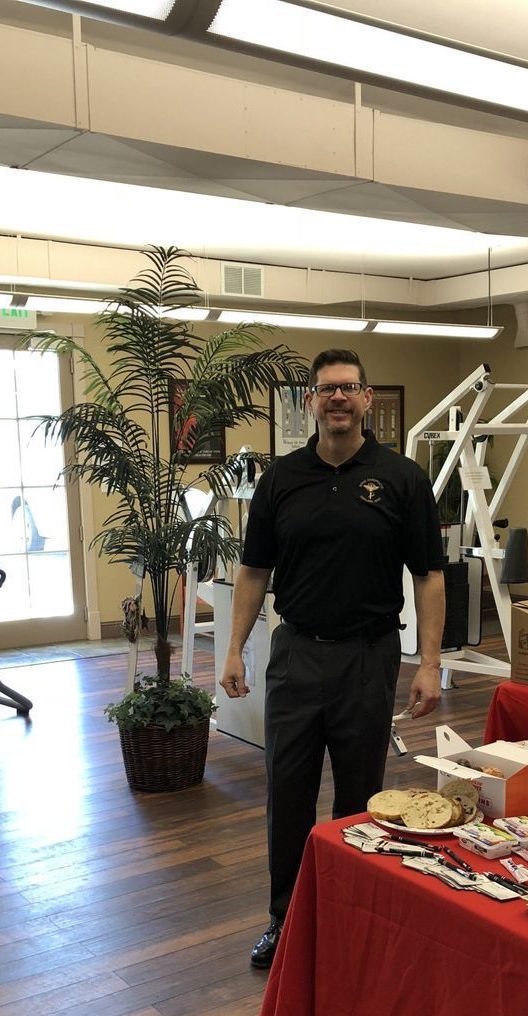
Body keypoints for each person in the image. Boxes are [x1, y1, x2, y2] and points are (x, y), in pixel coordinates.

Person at [219, 349, 446, 969]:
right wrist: (235, 648)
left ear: (368, 399)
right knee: (287, 793)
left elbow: (427, 575)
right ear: (310, 403)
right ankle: (284, 918)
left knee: (360, 795)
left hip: (369, 656)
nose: (337, 398)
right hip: (294, 653)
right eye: (326, 390)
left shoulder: (402, 479)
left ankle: (352, 916)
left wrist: (428, 663)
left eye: (348, 388)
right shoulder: (281, 479)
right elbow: (253, 570)